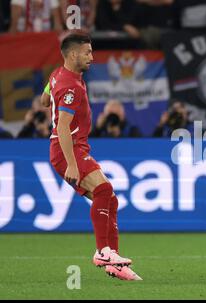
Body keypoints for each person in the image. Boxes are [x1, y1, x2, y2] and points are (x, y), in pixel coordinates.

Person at [46, 32, 142, 280]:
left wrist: (50, 94)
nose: (92, 56)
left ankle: (114, 263)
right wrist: (71, 164)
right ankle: (103, 251)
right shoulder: (70, 86)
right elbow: (63, 127)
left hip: (75, 148)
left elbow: (45, 99)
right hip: (68, 149)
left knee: (110, 199)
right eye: (87, 52)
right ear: (73, 54)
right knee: (103, 191)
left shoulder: (59, 75)